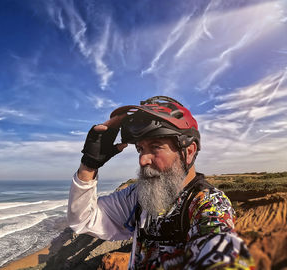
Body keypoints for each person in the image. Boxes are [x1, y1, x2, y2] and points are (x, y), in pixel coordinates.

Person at [67, 96, 255, 269]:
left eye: (156, 146)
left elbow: (222, 252)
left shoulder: (209, 204)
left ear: (188, 151)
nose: (142, 160)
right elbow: (83, 219)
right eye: (140, 149)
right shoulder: (139, 195)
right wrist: (89, 165)